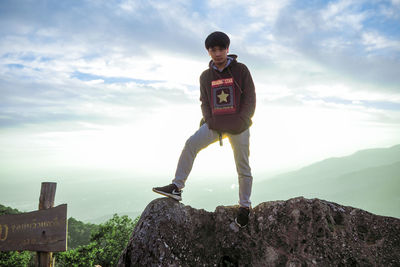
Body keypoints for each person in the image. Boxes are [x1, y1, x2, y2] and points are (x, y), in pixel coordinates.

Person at [153, 31, 256, 228]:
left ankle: (245, 207)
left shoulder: (241, 70)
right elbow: (205, 101)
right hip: (215, 124)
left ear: (227, 49)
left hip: (239, 126)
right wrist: (209, 119)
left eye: (221, 49)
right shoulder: (205, 76)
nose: (217, 53)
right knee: (191, 144)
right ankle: (176, 187)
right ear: (208, 51)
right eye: (213, 49)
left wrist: (244, 120)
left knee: (243, 167)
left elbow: (250, 97)